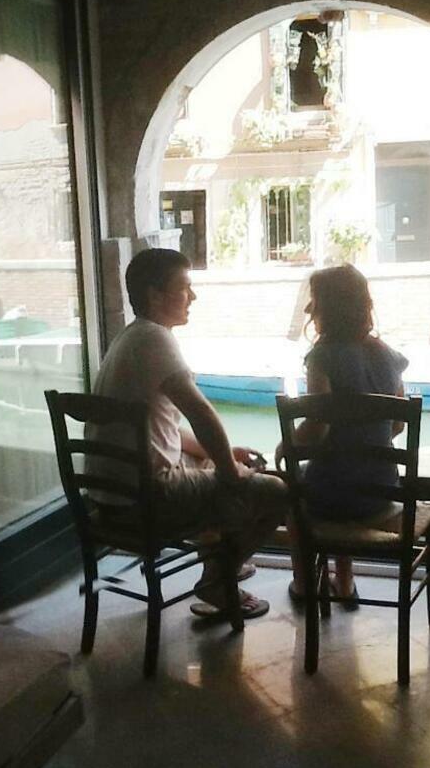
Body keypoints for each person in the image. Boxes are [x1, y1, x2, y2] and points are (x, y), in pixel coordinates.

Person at [88, 248, 288, 619]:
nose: (192, 297)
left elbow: (162, 428)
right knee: (274, 491)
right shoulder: (156, 340)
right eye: (184, 288)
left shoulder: (128, 338)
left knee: (206, 460)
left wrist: (224, 454)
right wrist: (230, 470)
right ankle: (219, 577)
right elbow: (200, 412)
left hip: (111, 499)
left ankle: (219, 562)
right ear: (155, 296)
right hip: (148, 501)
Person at [279, 264, 408, 609]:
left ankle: (304, 583)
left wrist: (285, 446)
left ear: (326, 307)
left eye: (314, 300)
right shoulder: (388, 355)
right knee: (336, 473)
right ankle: (345, 583)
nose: (309, 308)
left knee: (293, 491)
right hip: (382, 492)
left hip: (334, 495)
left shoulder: (322, 356)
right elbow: (397, 425)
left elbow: (318, 426)